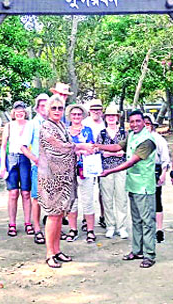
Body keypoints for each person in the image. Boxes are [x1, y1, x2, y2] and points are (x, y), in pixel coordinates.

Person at [37, 94, 94, 268]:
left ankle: (57, 250)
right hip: (51, 180)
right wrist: (81, 147)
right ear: (47, 110)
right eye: (53, 108)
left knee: (59, 216)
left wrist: (82, 151)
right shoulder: (46, 127)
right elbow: (58, 147)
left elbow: (69, 148)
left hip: (65, 179)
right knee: (53, 217)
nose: (57, 111)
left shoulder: (61, 125)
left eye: (60, 108)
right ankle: (49, 254)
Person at [100, 110, 157, 269]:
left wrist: (110, 171)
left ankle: (149, 254)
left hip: (144, 186)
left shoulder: (147, 140)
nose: (134, 124)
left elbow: (131, 161)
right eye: (131, 122)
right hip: (133, 184)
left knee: (147, 221)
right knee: (136, 220)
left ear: (143, 122)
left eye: (138, 121)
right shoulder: (131, 135)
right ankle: (137, 250)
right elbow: (117, 146)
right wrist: (97, 146)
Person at [0, 101, 32, 237]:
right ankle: (12, 223)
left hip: (26, 159)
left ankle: (28, 223)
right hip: (11, 158)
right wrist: (2, 165)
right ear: (13, 112)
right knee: (13, 193)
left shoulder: (30, 126)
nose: (19, 113)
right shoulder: (9, 126)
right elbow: (3, 146)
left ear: (25, 112)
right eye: (17, 110)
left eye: (22, 110)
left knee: (26, 193)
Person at [65, 103, 97, 243]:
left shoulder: (88, 130)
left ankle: (90, 230)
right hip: (68, 171)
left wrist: (78, 150)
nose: (76, 117)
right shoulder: (65, 131)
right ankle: (73, 229)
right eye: (74, 114)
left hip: (85, 169)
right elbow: (63, 149)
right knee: (72, 202)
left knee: (88, 200)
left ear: (82, 116)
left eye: (79, 114)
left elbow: (92, 148)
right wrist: (79, 149)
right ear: (70, 116)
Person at [21, 93, 49, 244]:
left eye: (47, 105)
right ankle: (37, 228)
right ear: (37, 108)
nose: (45, 108)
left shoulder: (54, 123)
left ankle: (53, 228)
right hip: (38, 167)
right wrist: (36, 160)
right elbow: (23, 147)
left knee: (53, 199)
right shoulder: (32, 124)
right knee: (36, 198)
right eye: (42, 105)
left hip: (54, 167)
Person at [97, 105, 128, 239]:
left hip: (121, 168)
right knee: (107, 198)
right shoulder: (102, 134)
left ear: (117, 118)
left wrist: (116, 153)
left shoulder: (124, 133)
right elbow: (98, 151)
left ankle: (121, 227)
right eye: (108, 116)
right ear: (105, 118)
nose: (111, 118)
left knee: (121, 198)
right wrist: (111, 153)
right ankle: (110, 226)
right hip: (106, 170)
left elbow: (127, 151)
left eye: (113, 116)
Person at [143, 113, 170, 244]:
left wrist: (163, 173)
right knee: (143, 201)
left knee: (157, 200)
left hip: (155, 170)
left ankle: (159, 229)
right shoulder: (136, 138)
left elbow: (165, 159)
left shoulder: (158, 139)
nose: (145, 126)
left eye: (148, 124)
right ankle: (146, 227)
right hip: (141, 172)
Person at [83, 98, 107, 230]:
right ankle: (86, 219)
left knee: (103, 189)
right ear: (89, 111)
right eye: (93, 109)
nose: (96, 111)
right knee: (88, 190)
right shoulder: (84, 123)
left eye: (98, 109)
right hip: (88, 159)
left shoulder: (106, 123)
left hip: (103, 158)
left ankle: (103, 216)